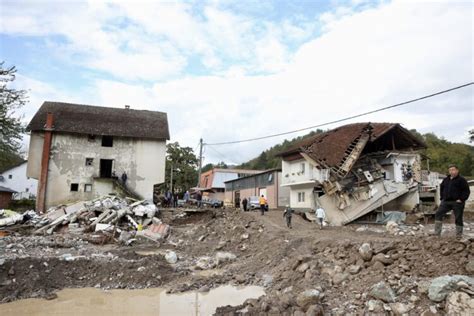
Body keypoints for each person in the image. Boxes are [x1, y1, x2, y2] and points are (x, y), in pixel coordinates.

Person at [432, 164, 470, 238]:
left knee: (458, 218)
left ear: (457, 170)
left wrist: (461, 199)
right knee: (438, 213)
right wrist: (442, 198)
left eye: (453, 169)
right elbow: (441, 188)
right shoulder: (446, 179)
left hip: (457, 202)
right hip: (446, 201)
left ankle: (459, 235)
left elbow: (466, 191)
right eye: (450, 170)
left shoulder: (462, 180)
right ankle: (437, 234)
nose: (451, 171)